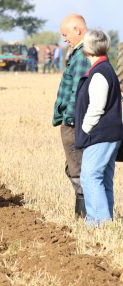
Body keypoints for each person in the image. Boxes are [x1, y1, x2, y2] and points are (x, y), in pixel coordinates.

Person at [75, 30, 123, 225]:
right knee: (103, 179)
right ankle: (103, 222)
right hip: (111, 134)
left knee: (90, 177)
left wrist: (85, 129)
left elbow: (96, 107)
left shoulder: (99, 73)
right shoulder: (107, 68)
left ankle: (100, 222)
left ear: (87, 49)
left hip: (100, 135)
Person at [52, 14, 90, 218]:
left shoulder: (83, 54)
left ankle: (84, 215)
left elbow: (79, 91)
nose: (64, 39)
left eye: (66, 34)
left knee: (77, 168)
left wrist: (69, 118)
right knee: (74, 167)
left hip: (74, 121)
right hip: (71, 119)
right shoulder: (78, 52)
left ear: (78, 30)